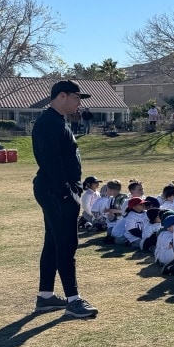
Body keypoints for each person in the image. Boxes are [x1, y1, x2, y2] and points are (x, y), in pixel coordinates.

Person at [31, 80, 99, 318]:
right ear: (62, 96)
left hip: (56, 189)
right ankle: (73, 300)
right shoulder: (49, 123)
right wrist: (66, 192)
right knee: (67, 244)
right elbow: (50, 162)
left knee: (54, 242)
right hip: (55, 190)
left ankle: (46, 296)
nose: (79, 102)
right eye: (76, 97)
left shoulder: (58, 121)